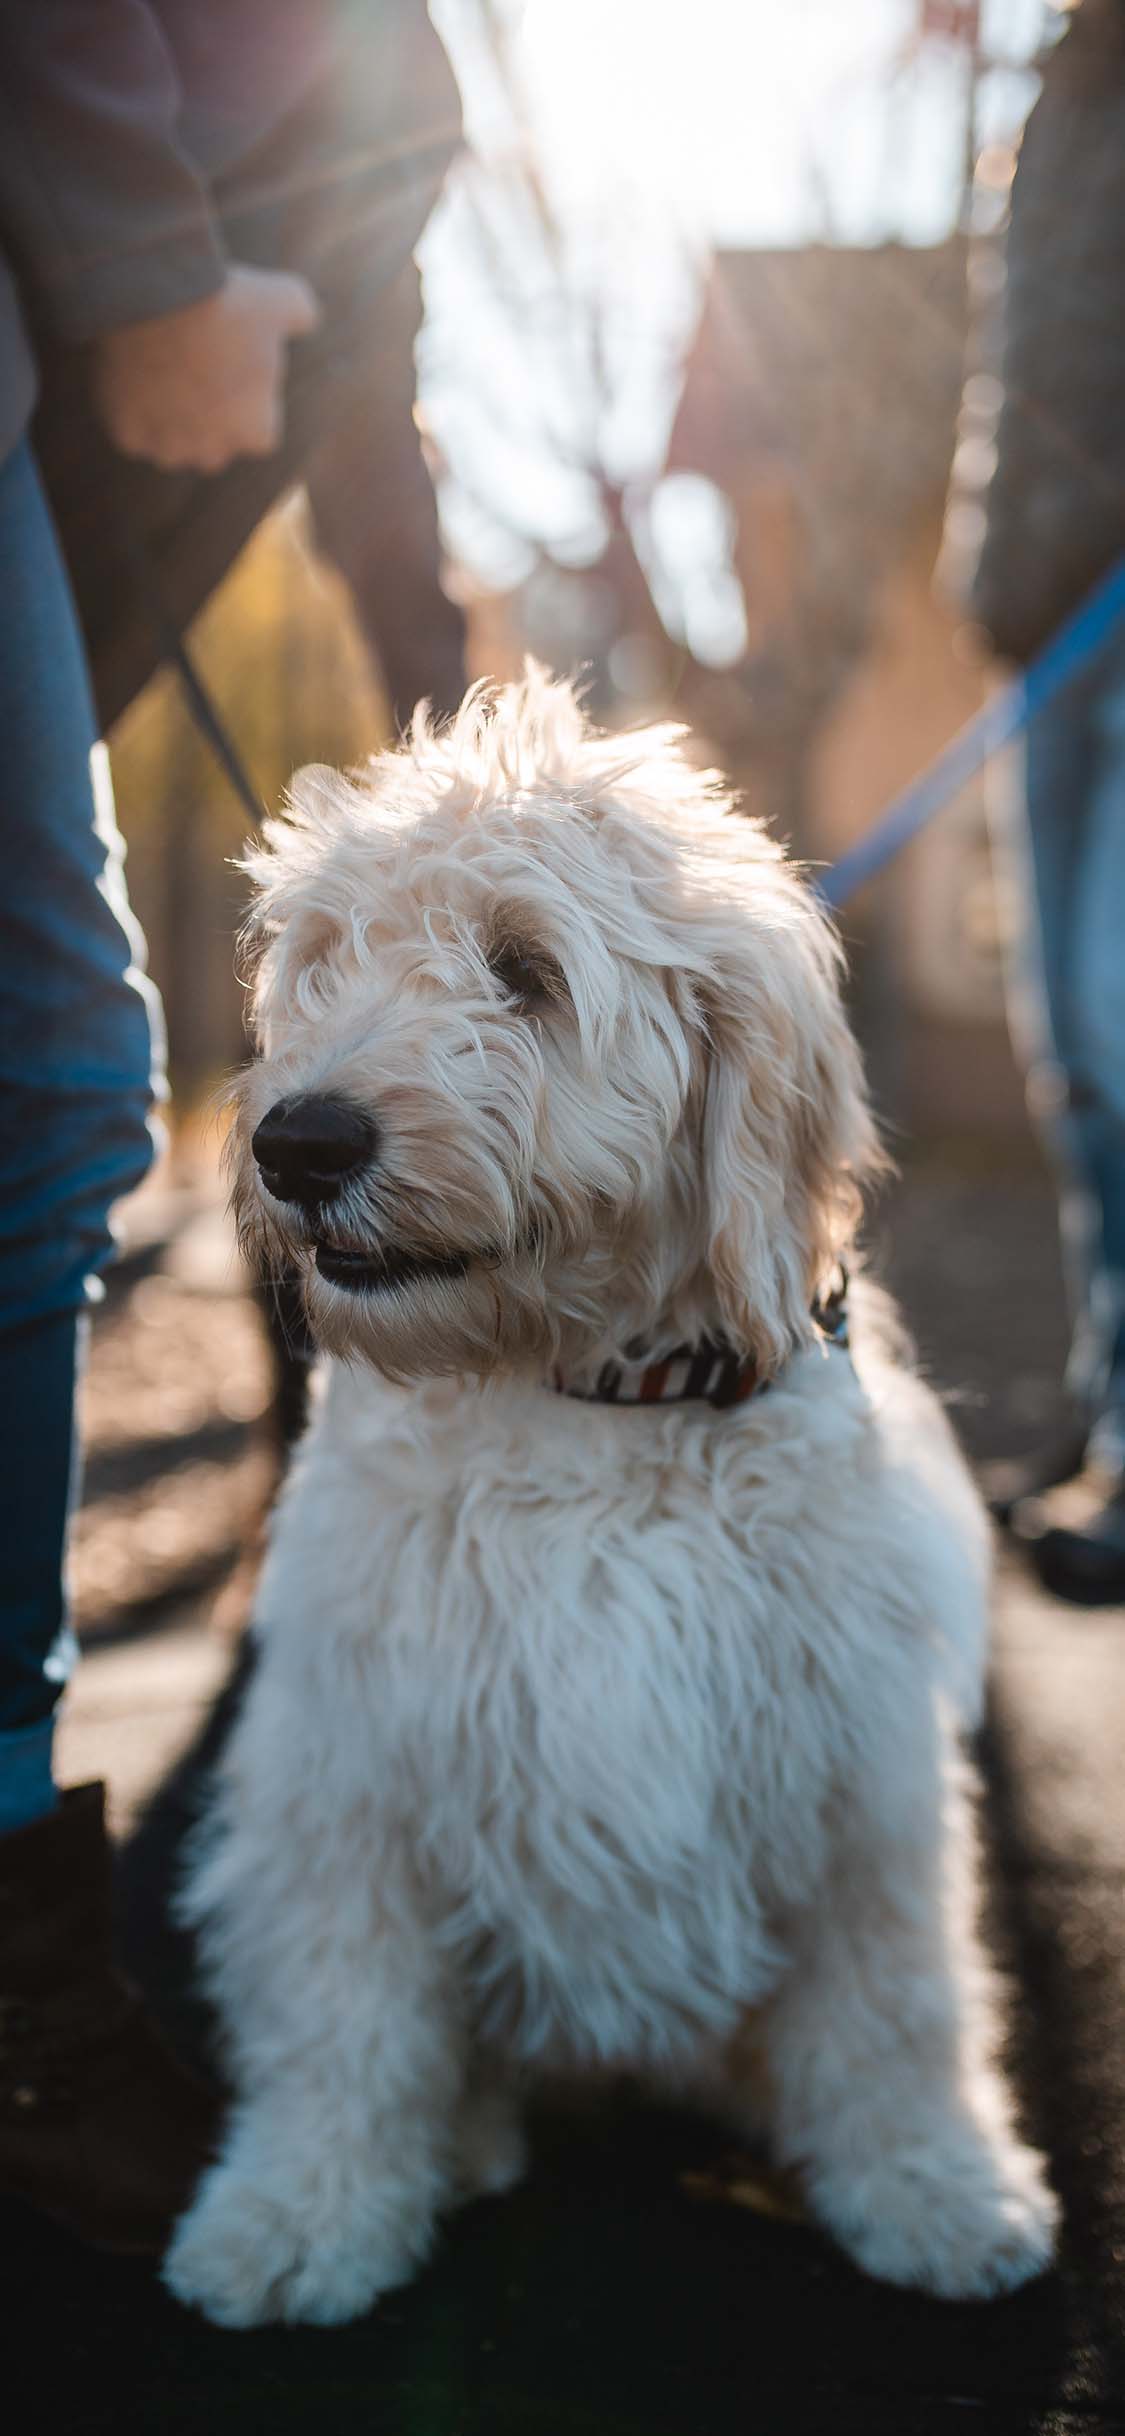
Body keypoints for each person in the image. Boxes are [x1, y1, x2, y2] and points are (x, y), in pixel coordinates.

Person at [0, 0, 457, 2251]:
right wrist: (139, 249)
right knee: (56, 1077)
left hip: (88, 367)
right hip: (86, 309)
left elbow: (377, 422)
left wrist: (435, 658)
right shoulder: (345, 98)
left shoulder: (381, 111)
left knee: (54, 1077)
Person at [956, 0, 1125, 1603]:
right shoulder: (1064, 88)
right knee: (1073, 1060)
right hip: (1044, 619)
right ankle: (1109, 1410)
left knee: (1118, 1016)